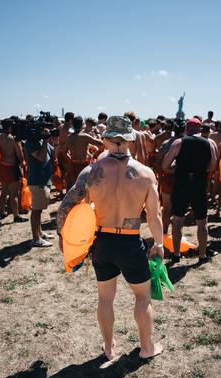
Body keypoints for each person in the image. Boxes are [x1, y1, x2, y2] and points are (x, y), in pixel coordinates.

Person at [57, 116, 164, 360]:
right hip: (129, 240)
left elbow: (65, 207)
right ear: (130, 139)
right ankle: (147, 348)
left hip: (102, 242)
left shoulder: (91, 172)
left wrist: (64, 238)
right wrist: (158, 244)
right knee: (142, 296)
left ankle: (109, 347)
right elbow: (154, 217)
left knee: (105, 298)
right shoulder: (146, 174)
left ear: (104, 140)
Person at [162, 118, 217, 263]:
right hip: (199, 185)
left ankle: (176, 254)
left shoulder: (178, 143)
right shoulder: (209, 144)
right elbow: (212, 166)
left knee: (178, 220)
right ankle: (202, 255)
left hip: (182, 184)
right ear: (200, 129)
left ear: (187, 128)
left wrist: (176, 169)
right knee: (202, 222)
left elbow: (164, 165)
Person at [154, 118, 186, 233]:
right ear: (185, 130)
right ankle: (176, 235)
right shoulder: (188, 144)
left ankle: (165, 231)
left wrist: (162, 173)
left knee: (167, 208)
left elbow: (157, 162)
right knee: (179, 209)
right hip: (183, 179)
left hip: (168, 178)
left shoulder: (166, 143)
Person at [25, 130, 56, 247]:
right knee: (36, 210)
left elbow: (54, 155)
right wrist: (44, 140)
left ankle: (40, 233)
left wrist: (54, 142)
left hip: (44, 180)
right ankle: (36, 239)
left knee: (39, 210)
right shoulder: (31, 142)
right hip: (37, 180)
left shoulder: (43, 142)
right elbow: (42, 158)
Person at [0, 119, 28, 222]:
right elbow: (20, 156)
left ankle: (2, 212)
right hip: (12, 168)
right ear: (10, 127)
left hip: (3, 166)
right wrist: (23, 164)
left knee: (4, 192)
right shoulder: (13, 139)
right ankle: (16, 216)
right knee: (14, 194)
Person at [65, 116, 103, 186]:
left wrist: (71, 160)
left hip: (73, 165)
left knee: (75, 186)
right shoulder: (85, 136)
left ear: (73, 125)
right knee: (85, 187)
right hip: (84, 165)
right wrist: (98, 133)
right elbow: (100, 143)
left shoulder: (68, 138)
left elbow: (65, 153)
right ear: (82, 124)